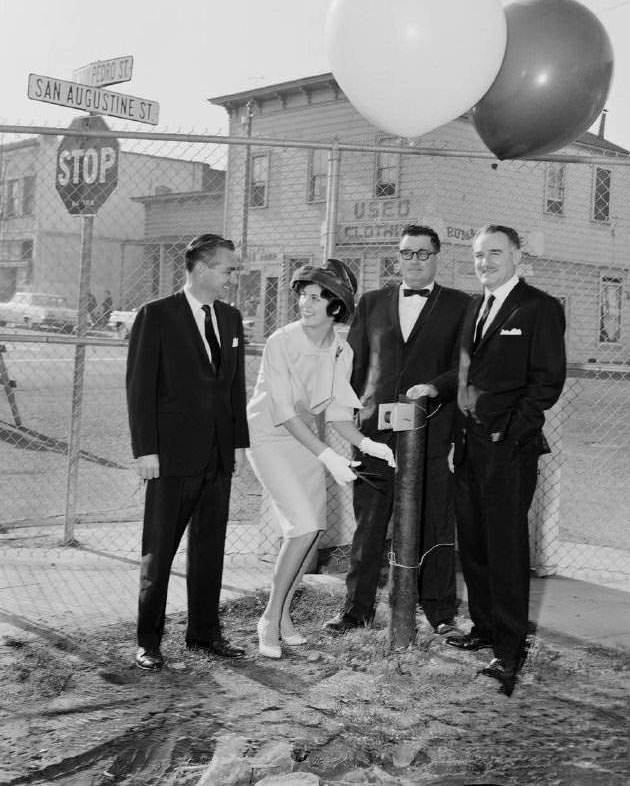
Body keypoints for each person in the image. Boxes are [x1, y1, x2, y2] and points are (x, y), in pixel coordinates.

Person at [418, 224, 566, 695]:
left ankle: (509, 649)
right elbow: (466, 371)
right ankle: (484, 628)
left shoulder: (538, 307)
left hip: (509, 449)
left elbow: (546, 382)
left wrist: (510, 430)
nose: (485, 262)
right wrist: (434, 387)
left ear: (517, 256)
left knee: (505, 550)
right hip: (467, 446)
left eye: (495, 254)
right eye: (479, 255)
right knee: (476, 546)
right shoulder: (474, 306)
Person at [323, 224, 471, 635]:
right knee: (369, 526)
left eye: (423, 253)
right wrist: (350, 418)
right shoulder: (371, 303)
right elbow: (354, 367)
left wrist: (434, 388)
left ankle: (440, 613)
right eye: (407, 253)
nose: (414, 261)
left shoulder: (460, 305)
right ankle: (357, 610)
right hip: (375, 434)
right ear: (397, 257)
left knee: (433, 524)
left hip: (431, 431)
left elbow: (463, 367)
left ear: (437, 257)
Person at [246, 259, 395, 659]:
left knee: (309, 532)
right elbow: (284, 412)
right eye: (304, 295)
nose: (306, 304)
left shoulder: (340, 350)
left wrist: (368, 446)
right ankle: (269, 618)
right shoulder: (281, 341)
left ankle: (283, 618)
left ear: (336, 306)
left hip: (306, 442)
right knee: (305, 525)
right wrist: (327, 455)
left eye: (317, 297)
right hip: (269, 438)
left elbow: (337, 415)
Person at [126, 233, 250, 671]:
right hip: (171, 458)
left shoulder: (231, 319)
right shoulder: (156, 316)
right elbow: (140, 390)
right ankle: (149, 641)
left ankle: (203, 633)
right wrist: (146, 451)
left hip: (217, 456)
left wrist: (238, 443)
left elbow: (234, 387)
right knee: (158, 551)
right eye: (227, 269)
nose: (232, 278)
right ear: (200, 268)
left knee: (209, 549)